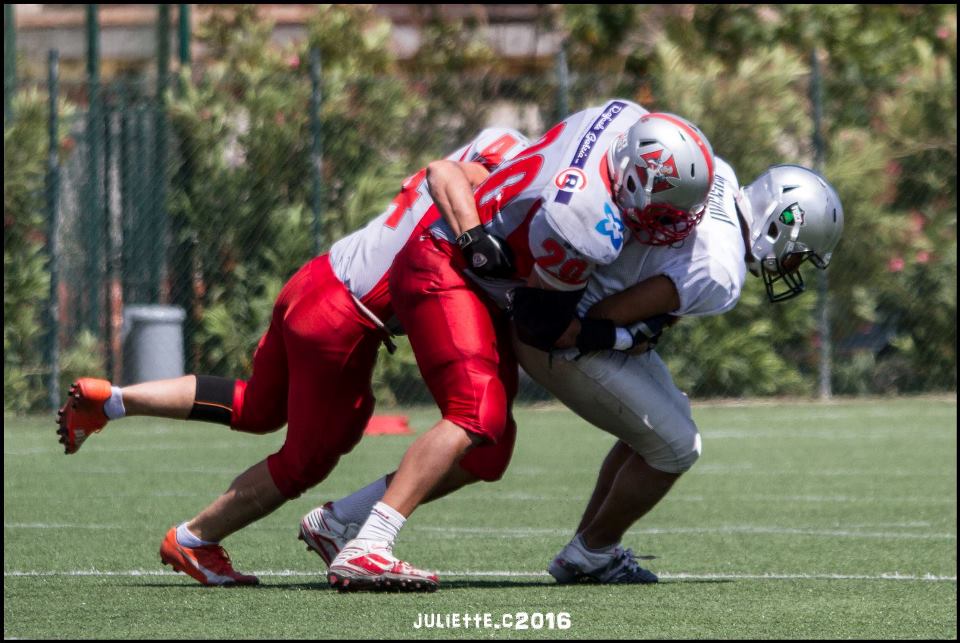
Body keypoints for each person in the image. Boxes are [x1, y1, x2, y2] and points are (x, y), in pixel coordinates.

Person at [307, 161, 844, 586]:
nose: (792, 267)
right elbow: (608, 319)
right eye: (799, 255)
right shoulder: (723, 269)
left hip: (552, 293)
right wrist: (628, 335)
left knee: (663, 424)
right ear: (781, 222)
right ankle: (591, 550)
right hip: (562, 332)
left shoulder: (718, 174)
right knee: (676, 447)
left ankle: (347, 518)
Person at [55, 127, 531, 586]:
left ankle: (113, 400)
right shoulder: (495, 173)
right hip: (344, 316)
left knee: (256, 407)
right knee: (305, 460)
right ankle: (194, 538)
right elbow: (456, 177)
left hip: (316, 278)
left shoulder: (490, 154)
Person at [324, 102, 716, 591]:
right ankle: (369, 545)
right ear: (634, 180)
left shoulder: (622, 118)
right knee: (474, 415)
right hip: (444, 264)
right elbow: (540, 325)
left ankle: (339, 522)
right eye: (665, 211)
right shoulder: (585, 216)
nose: (676, 225)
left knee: (489, 452)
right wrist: (622, 333)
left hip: (465, 262)